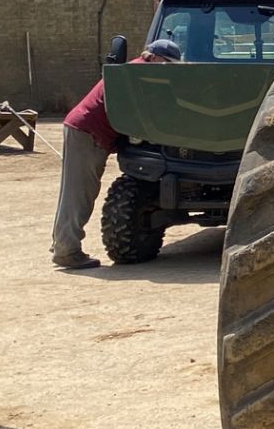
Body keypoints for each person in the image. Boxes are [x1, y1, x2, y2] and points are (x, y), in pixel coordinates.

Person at [50, 38, 181, 270]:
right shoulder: (139, 75)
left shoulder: (133, 70)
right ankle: (67, 251)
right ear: (155, 58)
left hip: (84, 129)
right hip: (88, 132)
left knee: (74, 190)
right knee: (79, 193)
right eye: (168, 63)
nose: (169, 69)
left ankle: (62, 242)